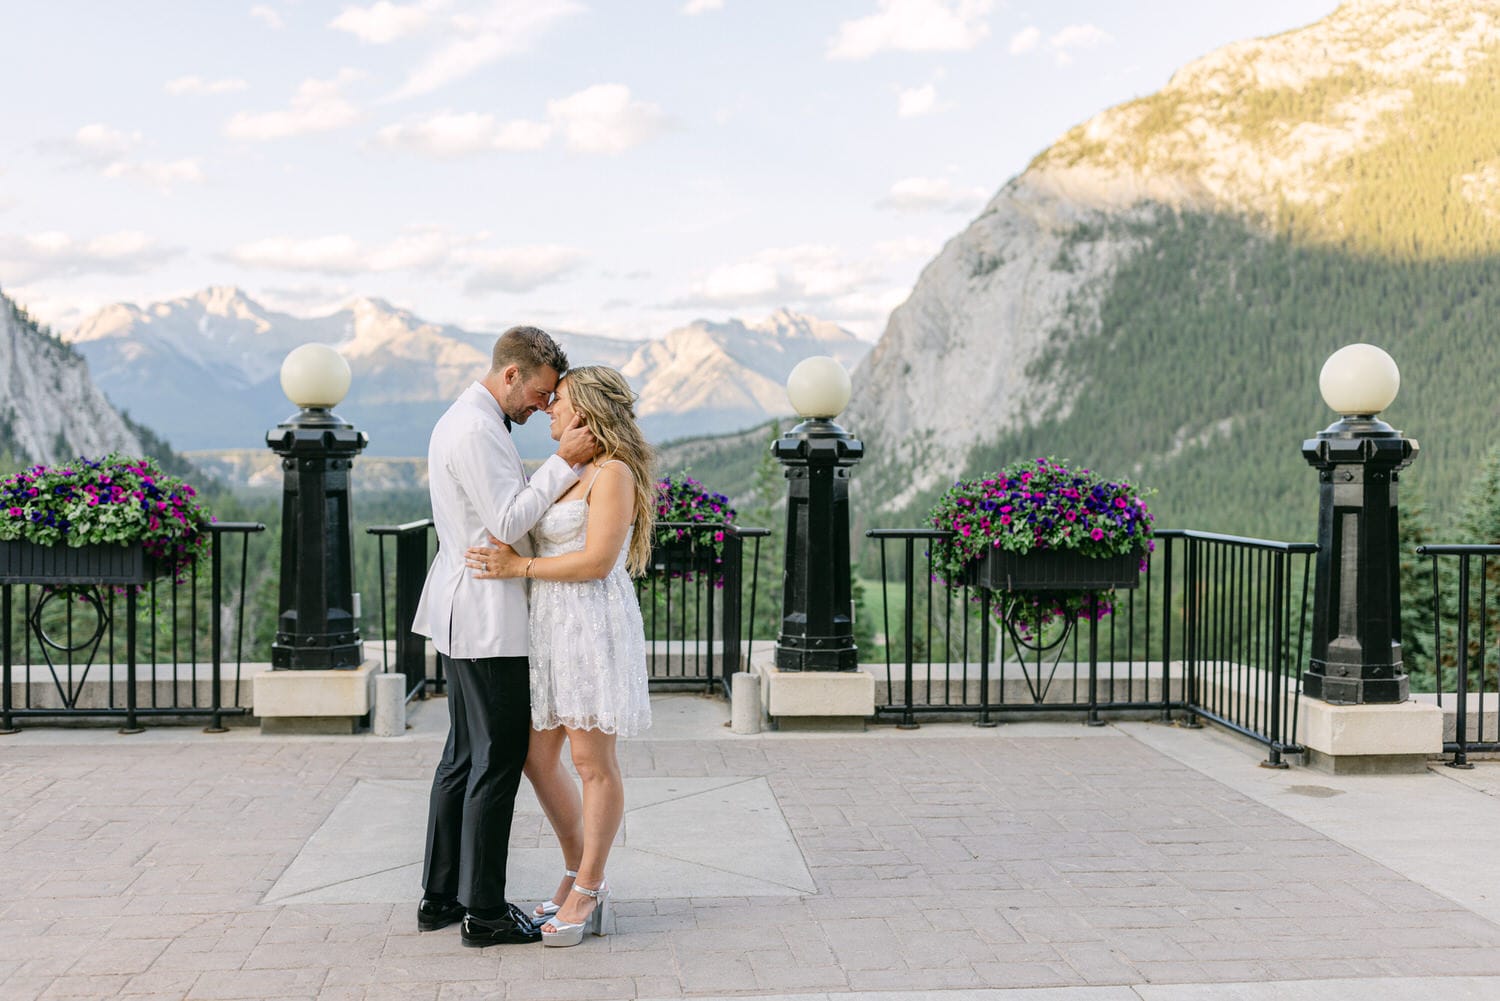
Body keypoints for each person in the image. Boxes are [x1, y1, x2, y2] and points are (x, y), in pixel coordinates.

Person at [410, 326, 597, 948]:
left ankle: (442, 896)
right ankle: (485, 912)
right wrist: (564, 462)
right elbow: (508, 519)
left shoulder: (464, 420)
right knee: (495, 761)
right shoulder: (477, 427)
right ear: (510, 374)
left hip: (465, 609)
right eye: (540, 394)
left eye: (551, 400)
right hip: (489, 616)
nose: (542, 408)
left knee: (463, 757)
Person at [464, 365, 654, 948]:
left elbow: (598, 561)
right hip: (549, 627)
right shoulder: (568, 469)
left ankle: (589, 886)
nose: (549, 407)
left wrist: (517, 567)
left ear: (588, 409)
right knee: (535, 756)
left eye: (560, 400)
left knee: (592, 762)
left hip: (592, 624)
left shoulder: (614, 472)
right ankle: (578, 870)